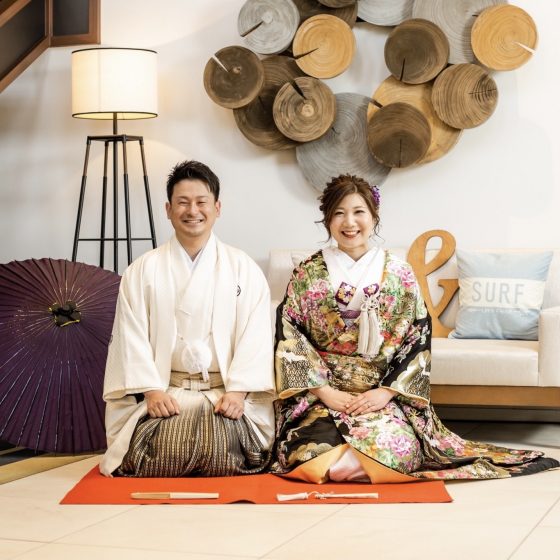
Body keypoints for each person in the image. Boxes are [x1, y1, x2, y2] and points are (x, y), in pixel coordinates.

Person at [271, 174, 559, 483]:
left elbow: (417, 337)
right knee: (306, 452)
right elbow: (290, 334)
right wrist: (326, 393)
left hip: (379, 394)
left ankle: (359, 461)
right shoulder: (308, 273)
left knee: (396, 451)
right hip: (323, 395)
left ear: (373, 217)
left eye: (358, 212)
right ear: (327, 220)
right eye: (339, 213)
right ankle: (346, 463)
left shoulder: (399, 273)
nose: (349, 222)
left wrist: (385, 392)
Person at [100, 160, 275, 477]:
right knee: (164, 447)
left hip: (224, 393)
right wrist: (151, 391)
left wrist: (239, 392)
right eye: (182, 202)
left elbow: (257, 337)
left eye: (201, 202)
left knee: (223, 448)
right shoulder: (143, 270)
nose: (192, 211)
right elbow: (130, 336)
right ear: (168, 209)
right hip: (167, 393)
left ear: (217, 208)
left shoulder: (243, 268)